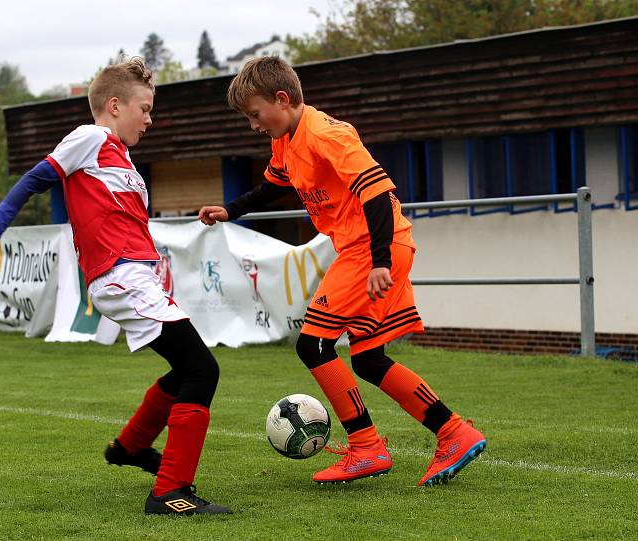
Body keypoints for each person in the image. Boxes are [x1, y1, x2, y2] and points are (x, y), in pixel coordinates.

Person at [0, 58, 231, 515]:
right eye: (144, 109)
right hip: (122, 278)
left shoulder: (121, 157)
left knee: (187, 370)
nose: (150, 119)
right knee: (203, 370)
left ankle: (130, 447)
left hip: (135, 278)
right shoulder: (91, 138)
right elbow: (30, 183)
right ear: (114, 104)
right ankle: (170, 493)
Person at [199, 57, 486, 487]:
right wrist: (232, 210)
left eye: (255, 115)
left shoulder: (327, 134)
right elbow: (277, 185)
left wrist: (381, 262)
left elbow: (376, 193)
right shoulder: (287, 139)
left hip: (372, 250)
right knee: (369, 360)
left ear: (282, 99)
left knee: (313, 344)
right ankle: (454, 432)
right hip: (368, 250)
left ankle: (367, 447)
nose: (253, 126)